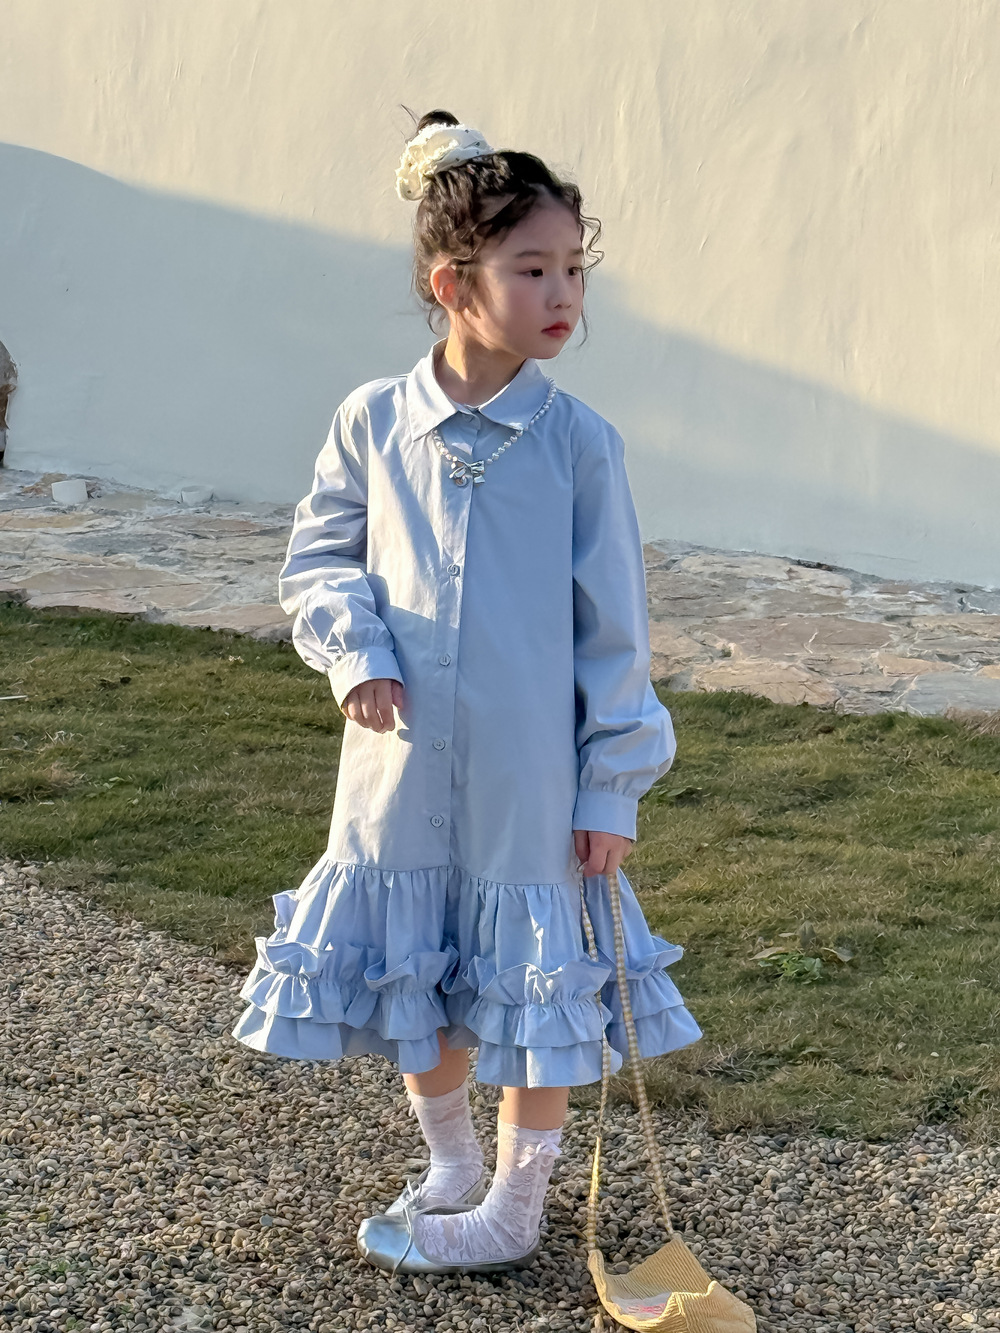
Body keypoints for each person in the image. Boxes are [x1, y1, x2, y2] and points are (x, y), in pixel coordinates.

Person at [231, 110, 703, 1276]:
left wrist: (610, 786)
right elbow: (319, 557)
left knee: (534, 979)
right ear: (453, 284)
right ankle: (449, 1161)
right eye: (532, 269)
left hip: (529, 776)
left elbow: (613, 635)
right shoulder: (372, 421)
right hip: (397, 764)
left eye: (575, 269)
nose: (563, 294)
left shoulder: (579, 445)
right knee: (418, 962)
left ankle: (514, 1204)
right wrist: (355, 652)